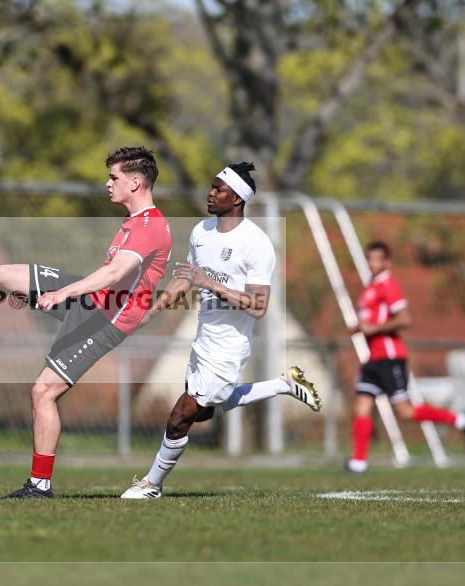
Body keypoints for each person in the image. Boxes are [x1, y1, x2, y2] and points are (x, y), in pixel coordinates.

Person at [0, 146, 172, 498]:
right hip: (92, 302)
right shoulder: (134, 222)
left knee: (42, 392)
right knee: (1, 275)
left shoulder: (152, 226)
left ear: (136, 182)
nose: (108, 184)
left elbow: (114, 274)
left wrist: (62, 295)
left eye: (114, 177)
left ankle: (40, 484)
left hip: (106, 322)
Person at [120, 162, 321, 500]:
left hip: (230, 346)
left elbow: (258, 306)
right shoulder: (201, 231)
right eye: (212, 187)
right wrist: (151, 311)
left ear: (237, 199)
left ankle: (151, 484)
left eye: (219, 189)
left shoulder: (256, 244)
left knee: (181, 415)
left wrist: (209, 282)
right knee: (204, 410)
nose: (211, 194)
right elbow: (185, 277)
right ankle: (284, 384)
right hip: (203, 338)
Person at [345, 240, 465, 474]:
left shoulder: (387, 284)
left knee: (405, 412)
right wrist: (359, 327)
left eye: (377, 259)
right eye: (369, 258)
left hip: (390, 358)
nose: (372, 263)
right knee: (361, 406)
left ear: (387, 262)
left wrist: (372, 329)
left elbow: (405, 319)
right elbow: (372, 320)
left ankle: (459, 419)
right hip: (373, 360)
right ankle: (358, 462)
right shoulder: (371, 287)